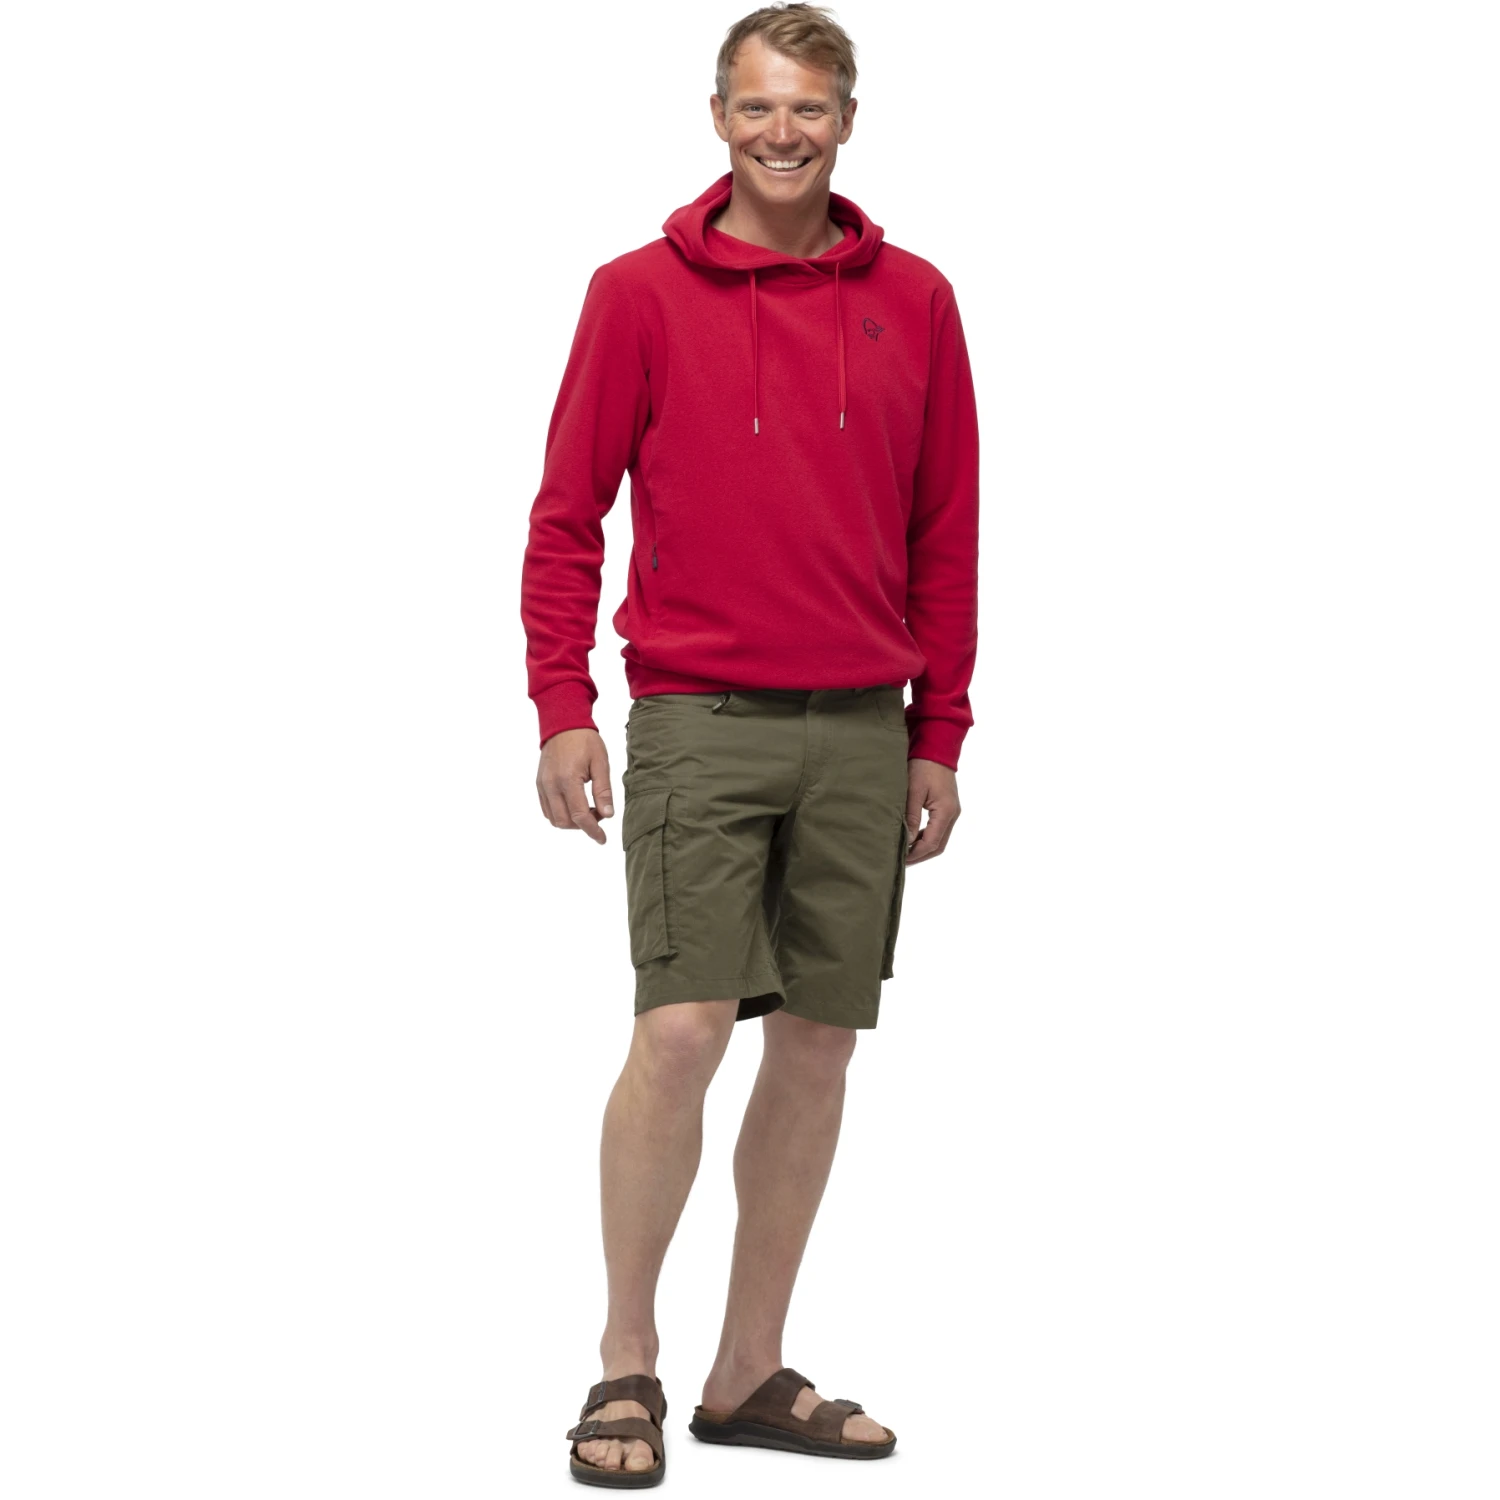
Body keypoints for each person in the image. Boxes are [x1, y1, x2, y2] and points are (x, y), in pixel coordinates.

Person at [520, 3, 979, 1485]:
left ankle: (746, 1372)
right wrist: (563, 705)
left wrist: (939, 731)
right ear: (718, 116)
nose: (785, 133)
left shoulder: (916, 300)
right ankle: (627, 1364)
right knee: (681, 1030)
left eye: (811, 108)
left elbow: (946, 535)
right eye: (759, 106)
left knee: (820, 1045)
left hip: (863, 727)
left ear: (848, 120)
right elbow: (566, 516)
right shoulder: (636, 294)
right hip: (698, 719)